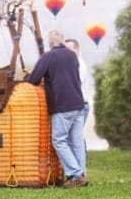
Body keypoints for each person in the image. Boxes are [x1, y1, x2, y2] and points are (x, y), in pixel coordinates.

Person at [24, 30, 88, 188]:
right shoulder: (72, 56)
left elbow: (34, 79)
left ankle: (75, 174)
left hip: (62, 105)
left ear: (49, 43)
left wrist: (27, 76)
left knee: (58, 140)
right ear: (63, 41)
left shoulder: (48, 56)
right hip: (79, 104)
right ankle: (82, 174)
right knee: (77, 142)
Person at [65, 38, 89, 174]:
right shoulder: (76, 63)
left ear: (77, 49)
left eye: (70, 48)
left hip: (80, 105)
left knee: (74, 140)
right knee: (75, 139)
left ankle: (78, 172)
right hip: (80, 104)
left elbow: (75, 83)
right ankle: (80, 171)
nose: (68, 51)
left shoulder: (78, 64)